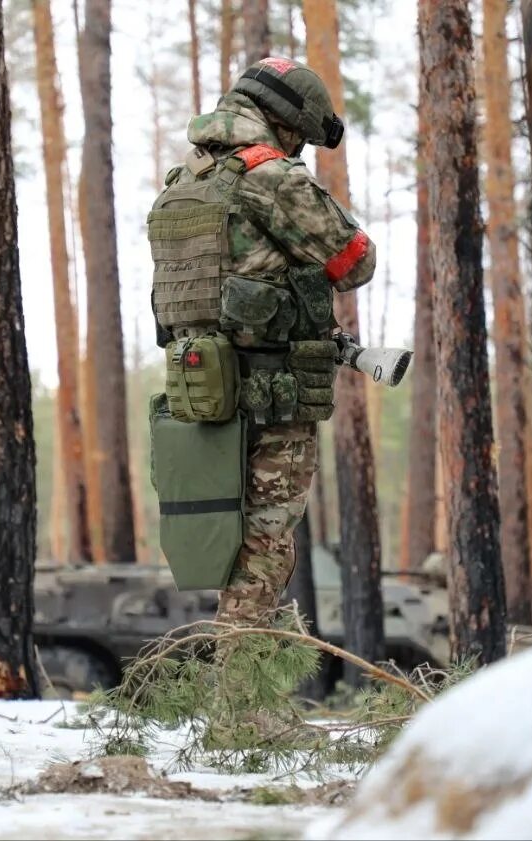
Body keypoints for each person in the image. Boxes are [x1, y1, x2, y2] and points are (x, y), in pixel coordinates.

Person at [147, 57, 375, 628]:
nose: (299, 147)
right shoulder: (271, 176)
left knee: (227, 536)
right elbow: (355, 261)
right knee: (264, 550)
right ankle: (242, 712)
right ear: (286, 121)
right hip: (272, 394)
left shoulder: (185, 181)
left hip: (199, 388)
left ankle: (245, 703)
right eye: (300, 135)